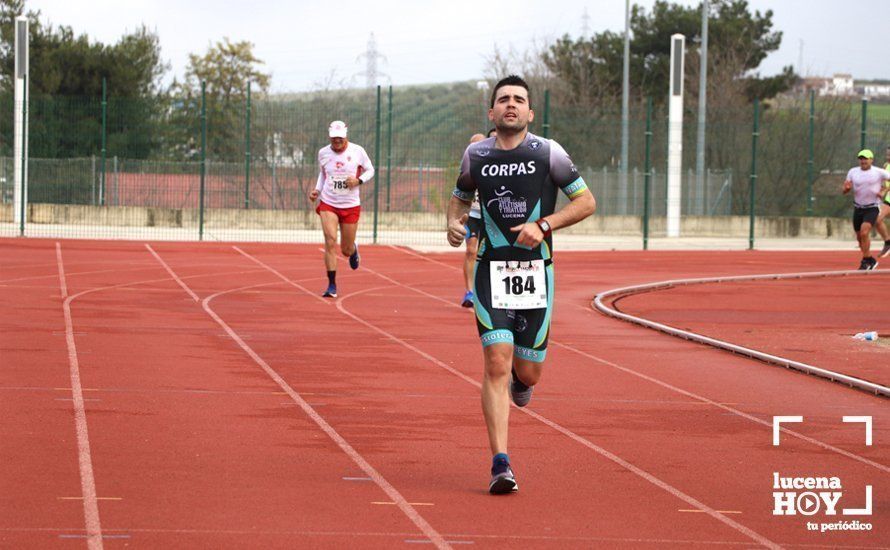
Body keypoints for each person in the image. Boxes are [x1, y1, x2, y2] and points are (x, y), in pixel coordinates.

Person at [446, 75, 596, 494]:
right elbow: (460, 197)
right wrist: (452, 225)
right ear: (491, 113)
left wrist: (544, 224)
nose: (511, 105)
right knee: (495, 359)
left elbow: (586, 202)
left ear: (530, 112)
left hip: (536, 276)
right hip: (490, 273)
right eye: (503, 100)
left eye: (519, 100)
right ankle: (500, 464)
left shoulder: (550, 153)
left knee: (527, 373)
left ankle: (522, 380)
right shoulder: (475, 155)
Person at [309, 120, 375, 297]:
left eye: (340, 138)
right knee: (330, 240)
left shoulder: (357, 151)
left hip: (350, 204)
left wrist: (358, 181)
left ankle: (353, 249)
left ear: (345, 136)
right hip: (328, 202)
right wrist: (317, 190)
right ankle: (332, 286)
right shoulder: (323, 153)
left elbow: (370, 170)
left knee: (345, 250)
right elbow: (323, 175)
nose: (336, 141)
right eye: (333, 138)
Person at [461, 128, 497, 307]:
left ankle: (491, 290)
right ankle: (469, 292)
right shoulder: (469, 164)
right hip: (473, 214)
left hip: (492, 214)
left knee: (492, 252)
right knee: (471, 250)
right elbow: (460, 193)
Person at [842, 149, 890, 270]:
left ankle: (866, 260)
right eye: (861, 158)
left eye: (866, 158)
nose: (863, 161)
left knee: (864, 232)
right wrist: (846, 189)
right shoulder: (853, 172)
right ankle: (869, 259)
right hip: (858, 208)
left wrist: (884, 190)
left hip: (872, 208)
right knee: (859, 238)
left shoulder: (879, 172)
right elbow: (845, 188)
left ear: (871, 160)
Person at [876, 146, 890, 258]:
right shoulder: (886, 166)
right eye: (887, 154)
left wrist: (885, 190)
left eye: (889, 154)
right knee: (878, 219)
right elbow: (883, 182)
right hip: (888, 200)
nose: (887, 156)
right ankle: (888, 242)